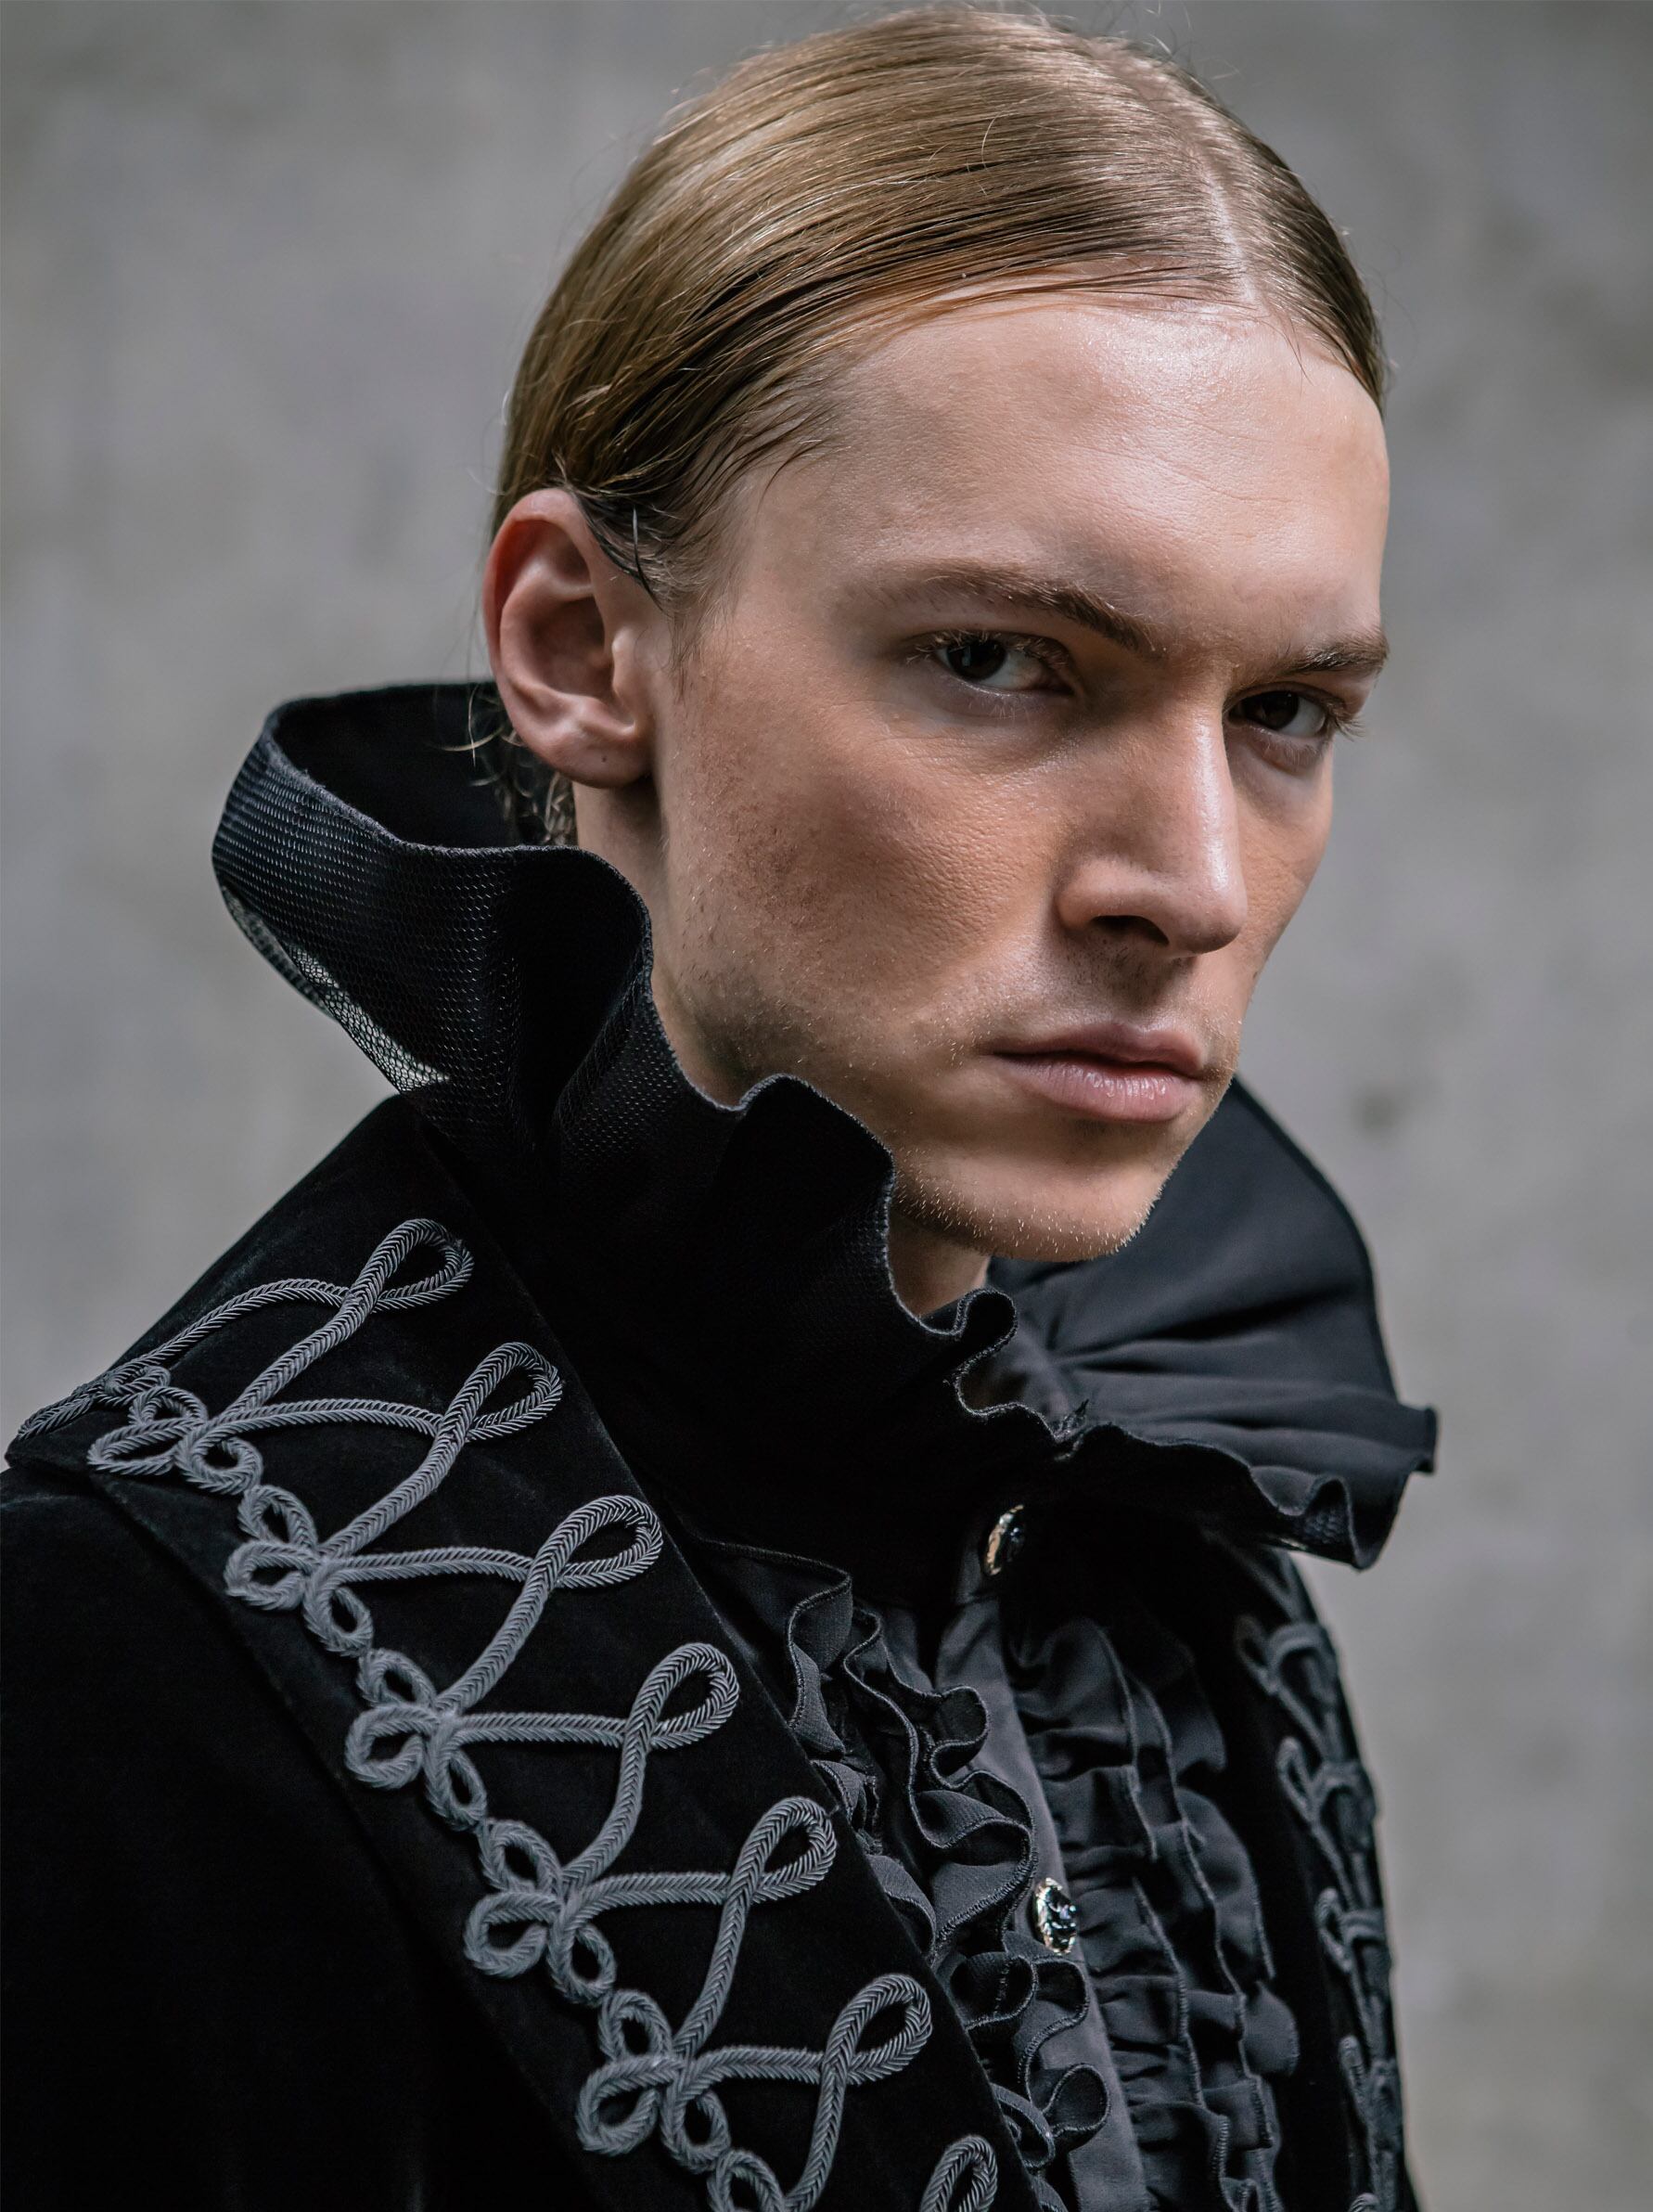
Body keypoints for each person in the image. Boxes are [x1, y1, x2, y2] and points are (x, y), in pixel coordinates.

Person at [2, 10, 1438, 2209]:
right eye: (1001, 658)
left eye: (1289, 712)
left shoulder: (1172, 1516)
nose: (1196, 883)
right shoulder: (117, 1657)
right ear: (582, 646)